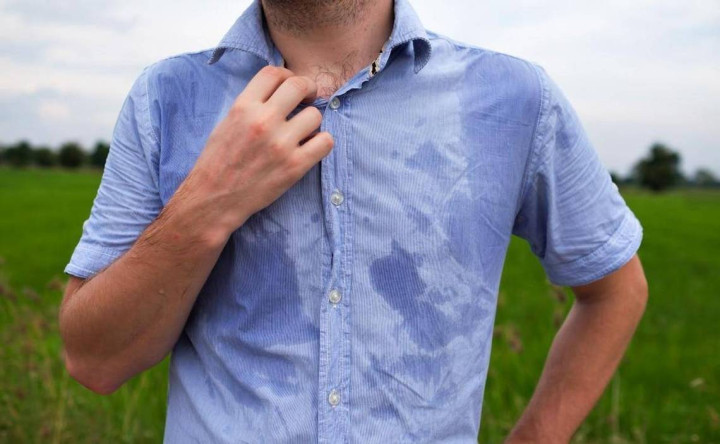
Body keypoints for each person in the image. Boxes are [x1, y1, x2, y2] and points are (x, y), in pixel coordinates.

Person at [58, 0, 648, 442]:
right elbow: (94, 360)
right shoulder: (165, 97)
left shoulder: (515, 98)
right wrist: (209, 200)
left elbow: (615, 291)